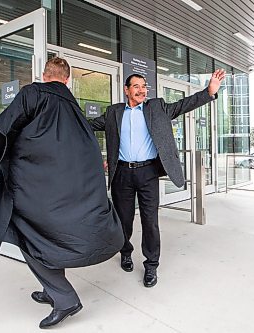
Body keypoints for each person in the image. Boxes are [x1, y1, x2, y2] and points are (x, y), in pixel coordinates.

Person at [0, 57, 123, 329]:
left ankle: (64, 298)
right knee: (47, 236)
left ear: (44, 75)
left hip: (39, 189)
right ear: (67, 80)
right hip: (70, 189)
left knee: (29, 234)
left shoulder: (33, 93)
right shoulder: (74, 108)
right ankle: (52, 289)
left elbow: (3, 129)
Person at [89, 69, 225, 288]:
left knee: (150, 221)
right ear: (126, 90)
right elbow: (89, 126)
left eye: (144, 86)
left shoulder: (157, 107)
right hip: (122, 172)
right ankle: (125, 252)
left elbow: (183, 104)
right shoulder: (114, 112)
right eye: (137, 86)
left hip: (148, 173)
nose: (142, 90)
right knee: (123, 220)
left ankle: (151, 265)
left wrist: (209, 92)